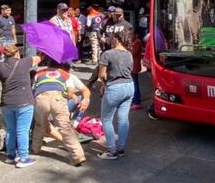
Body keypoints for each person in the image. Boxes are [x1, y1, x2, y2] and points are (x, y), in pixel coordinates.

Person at [30, 60, 90, 166]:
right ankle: (77, 155)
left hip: (41, 98)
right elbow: (70, 91)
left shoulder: (39, 73)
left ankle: (35, 148)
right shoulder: (65, 74)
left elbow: (33, 89)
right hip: (58, 98)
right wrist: (70, 96)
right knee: (65, 127)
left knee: (40, 124)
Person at [0, 44, 40, 168]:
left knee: (10, 129)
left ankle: (10, 155)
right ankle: (23, 157)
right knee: (22, 130)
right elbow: (38, 58)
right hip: (24, 102)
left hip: (6, 103)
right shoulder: (24, 63)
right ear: (17, 54)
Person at [96, 28, 135, 160]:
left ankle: (112, 151)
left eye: (112, 38)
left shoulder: (107, 54)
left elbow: (102, 74)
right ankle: (121, 148)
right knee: (123, 118)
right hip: (129, 86)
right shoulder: (129, 54)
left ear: (116, 39)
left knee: (107, 119)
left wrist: (104, 84)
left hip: (114, 87)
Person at [130, 28, 144, 111]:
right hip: (130, 67)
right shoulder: (131, 42)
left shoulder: (137, 42)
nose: (129, 36)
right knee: (131, 84)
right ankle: (133, 101)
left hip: (134, 67)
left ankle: (136, 102)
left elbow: (132, 54)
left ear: (135, 35)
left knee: (135, 84)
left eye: (131, 34)